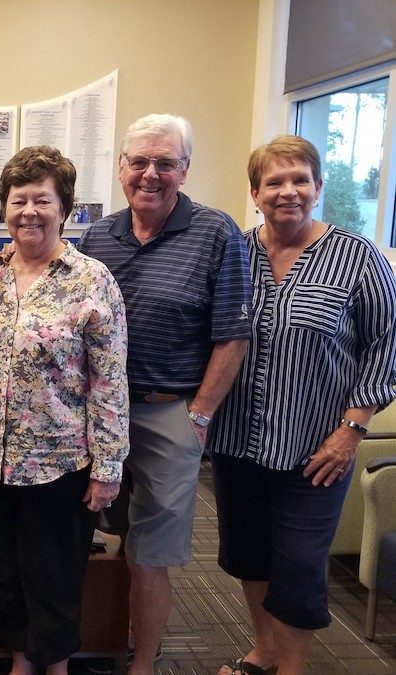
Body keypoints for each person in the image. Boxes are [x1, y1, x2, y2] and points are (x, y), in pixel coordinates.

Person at [209, 135, 396, 675]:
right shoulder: (234, 252)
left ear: (318, 187)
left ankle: (292, 668)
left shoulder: (357, 257)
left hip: (316, 448)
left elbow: (386, 345)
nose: (287, 191)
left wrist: (352, 430)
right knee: (249, 553)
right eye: (274, 182)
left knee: (298, 565)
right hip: (237, 439)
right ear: (255, 193)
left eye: (299, 180)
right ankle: (264, 651)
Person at [76, 113, 252, 675]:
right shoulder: (99, 236)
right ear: (121, 168)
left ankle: (143, 662)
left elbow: (234, 335)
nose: (150, 174)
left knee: (150, 555)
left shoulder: (216, 232)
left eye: (165, 163)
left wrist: (199, 415)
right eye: (139, 162)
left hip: (168, 413)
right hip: (97, 415)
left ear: (185, 169)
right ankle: (99, 641)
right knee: (97, 534)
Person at [0, 146, 129, 675]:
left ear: (65, 208)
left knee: (55, 575)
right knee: (4, 571)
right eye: (19, 200)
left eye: (43, 200)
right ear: (4, 208)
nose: (29, 212)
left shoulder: (91, 279)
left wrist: (108, 468)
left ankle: (56, 665)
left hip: (60, 461)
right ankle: (21, 660)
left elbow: (110, 380)